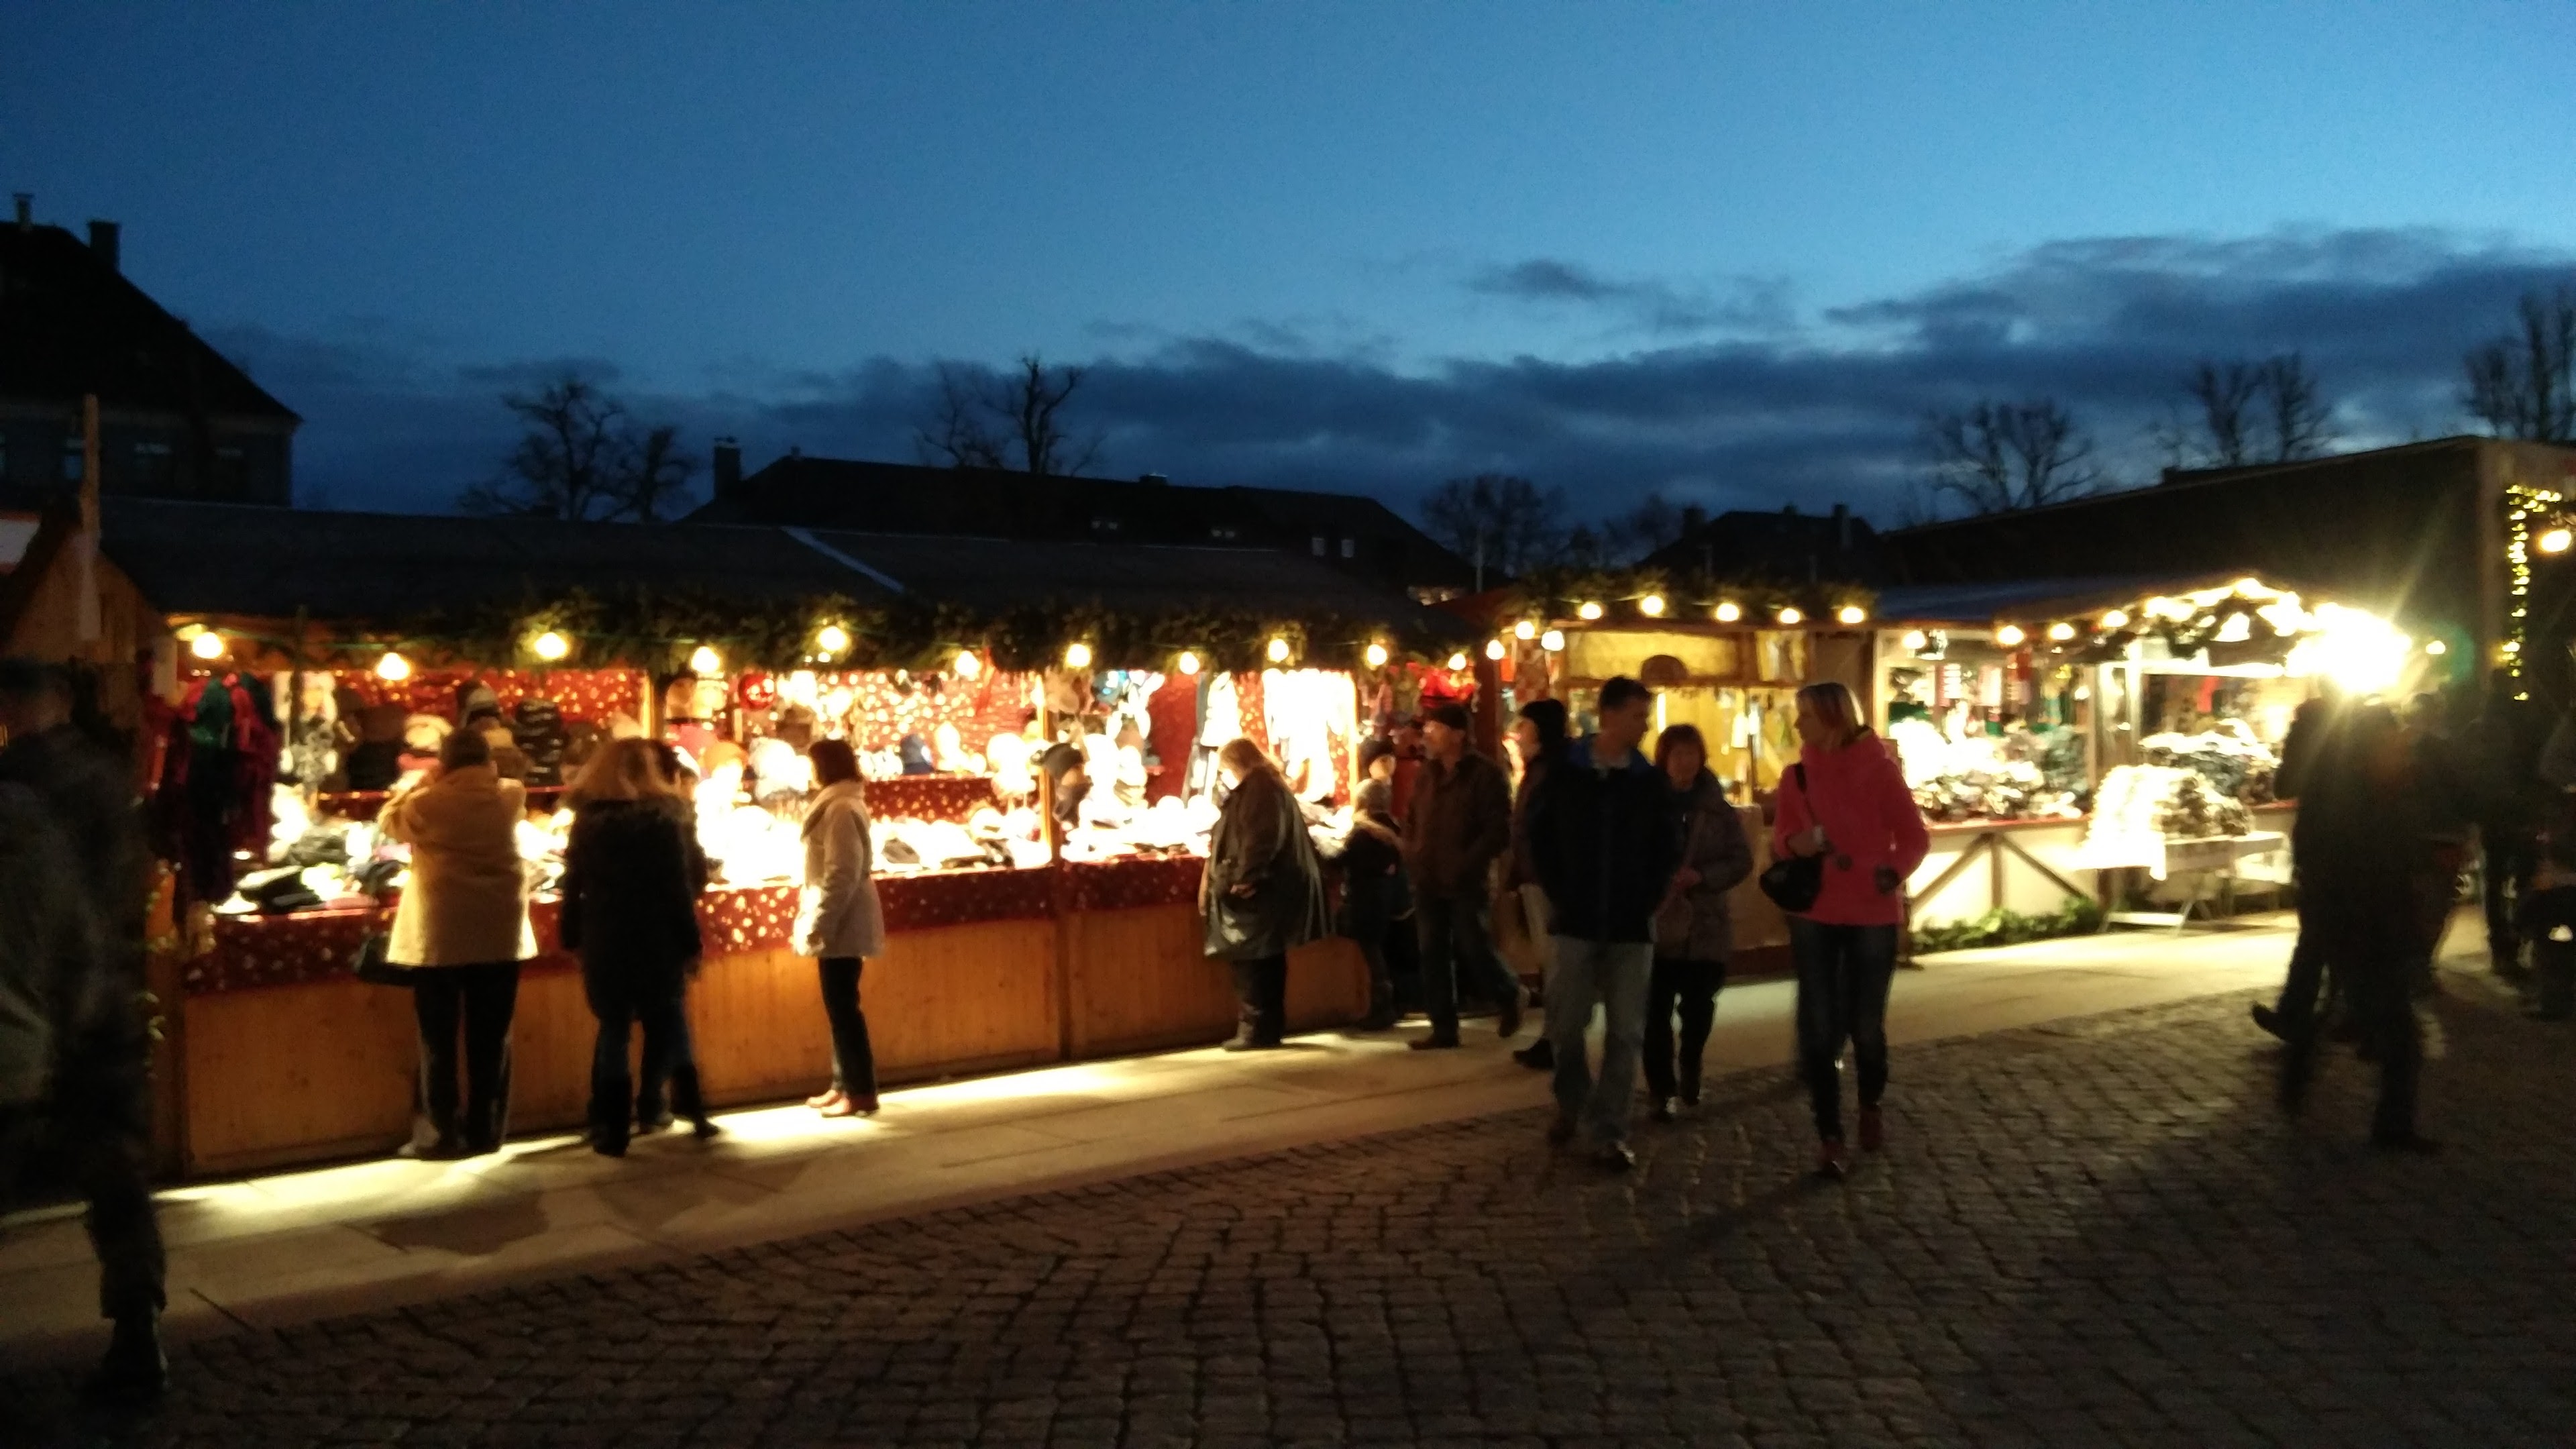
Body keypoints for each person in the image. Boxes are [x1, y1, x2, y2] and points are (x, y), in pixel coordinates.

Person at [0, 660, 167, 1395]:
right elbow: (127, 879)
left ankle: (136, 1334)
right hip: (95, 1000)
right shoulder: (99, 776)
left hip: (49, 1000)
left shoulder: (22, 786)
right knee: (116, 1181)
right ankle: (138, 1333)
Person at [1772, 680, 1930, 1179]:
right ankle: (1829, 1136)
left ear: (1834, 718)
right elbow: (1780, 843)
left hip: (1871, 910)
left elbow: (1914, 835)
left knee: (1865, 1026)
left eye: (1807, 716)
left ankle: (1870, 1104)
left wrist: (1892, 870)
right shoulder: (1798, 776)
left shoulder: (1878, 770)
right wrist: (1801, 842)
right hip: (1817, 909)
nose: (1799, 725)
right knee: (1820, 1030)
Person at [1528, 676, 1678, 1171]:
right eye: (1638, 715)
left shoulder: (1647, 780)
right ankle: (1571, 1099)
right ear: (1608, 715)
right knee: (1565, 1024)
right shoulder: (1566, 773)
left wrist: (1651, 896)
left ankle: (1609, 1130)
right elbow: (1539, 835)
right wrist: (1559, 890)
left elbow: (1666, 845)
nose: (1645, 725)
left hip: (1631, 924)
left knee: (1626, 1031)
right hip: (1575, 919)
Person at [2283, 702, 2438, 1150]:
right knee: (2400, 1034)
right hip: (2356, 924)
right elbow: (2330, 862)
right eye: (2393, 746)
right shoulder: (2345, 801)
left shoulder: (2387, 792)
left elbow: (2399, 855)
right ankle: (2392, 1129)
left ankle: (2301, 1063)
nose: (2402, 753)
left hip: (2371, 924)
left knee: (2356, 1013)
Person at [379, 724, 538, 1158]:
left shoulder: (428, 803)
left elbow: (390, 824)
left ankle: (439, 1132)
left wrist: (420, 784)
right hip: (500, 933)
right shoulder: (510, 795)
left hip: (440, 937)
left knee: (438, 1038)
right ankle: (486, 1132)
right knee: (492, 1038)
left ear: (444, 763)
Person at [559, 738, 712, 1157]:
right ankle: (685, 1106)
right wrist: (690, 940)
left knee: (613, 1028)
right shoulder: (664, 820)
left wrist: (571, 934)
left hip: (605, 936)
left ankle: (611, 1127)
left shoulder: (588, 822)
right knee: (667, 1019)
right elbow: (678, 888)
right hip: (656, 936)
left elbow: (572, 884)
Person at [1644, 723, 1754, 1122]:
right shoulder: (1648, 804)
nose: (1684, 762)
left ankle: (1691, 1064)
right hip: (1657, 921)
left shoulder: (1716, 809)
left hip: (1705, 924)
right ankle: (1662, 1089)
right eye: (1677, 754)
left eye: (1691, 754)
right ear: (1664, 758)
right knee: (1654, 1011)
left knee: (1698, 1006)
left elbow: (1741, 860)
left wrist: (1703, 877)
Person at [1401, 701, 1522, 1049]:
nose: (1427, 735)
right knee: (1432, 952)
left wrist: (1468, 863)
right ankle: (1443, 1027)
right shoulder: (1428, 773)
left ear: (1457, 735)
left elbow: (1497, 829)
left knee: (1474, 946)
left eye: (1435, 728)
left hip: (1465, 878)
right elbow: (1412, 815)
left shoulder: (1485, 774)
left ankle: (1508, 992)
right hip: (1427, 877)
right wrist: (1411, 849)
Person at [1202, 738, 1330, 1049]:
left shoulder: (1259, 789)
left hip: (1260, 889)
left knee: (1252, 960)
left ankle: (1256, 1029)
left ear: (1235, 765)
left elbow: (1260, 836)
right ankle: (1266, 1028)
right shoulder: (1269, 785)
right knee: (1266, 958)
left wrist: (1246, 877)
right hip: (1272, 885)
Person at [797, 739, 888, 1116]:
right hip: (840, 916)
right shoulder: (840, 804)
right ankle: (843, 1083)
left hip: (842, 919)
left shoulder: (839, 808)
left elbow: (842, 871)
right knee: (839, 1004)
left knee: (844, 1005)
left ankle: (860, 1090)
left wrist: (822, 921)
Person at [2460, 671, 2544, 981]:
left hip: (2493, 815)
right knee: (2524, 878)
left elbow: (2470, 776)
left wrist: (2474, 816)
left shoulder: (2478, 728)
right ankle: (2522, 938)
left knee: (2494, 881)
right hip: (2518, 813)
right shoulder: (2524, 722)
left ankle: (2502, 948)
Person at [1509, 699, 1571, 1073]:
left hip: (1550, 880)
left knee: (1558, 963)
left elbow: (1546, 829)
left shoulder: (1554, 771)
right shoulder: (1540, 769)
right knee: (1551, 963)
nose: (1518, 734)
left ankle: (1558, 1039)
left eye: (1525, 727)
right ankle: (1554, 1036)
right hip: (1536, 877)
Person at [1338, 790, 1409, 1030]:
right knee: (1380, 953)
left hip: (1365, 902)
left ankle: (1381, 1009)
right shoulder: (1390, 831)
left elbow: (1344, 860)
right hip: (1385, 902)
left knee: (1373, 956)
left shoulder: (1362, 833)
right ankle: (1390, 1005)